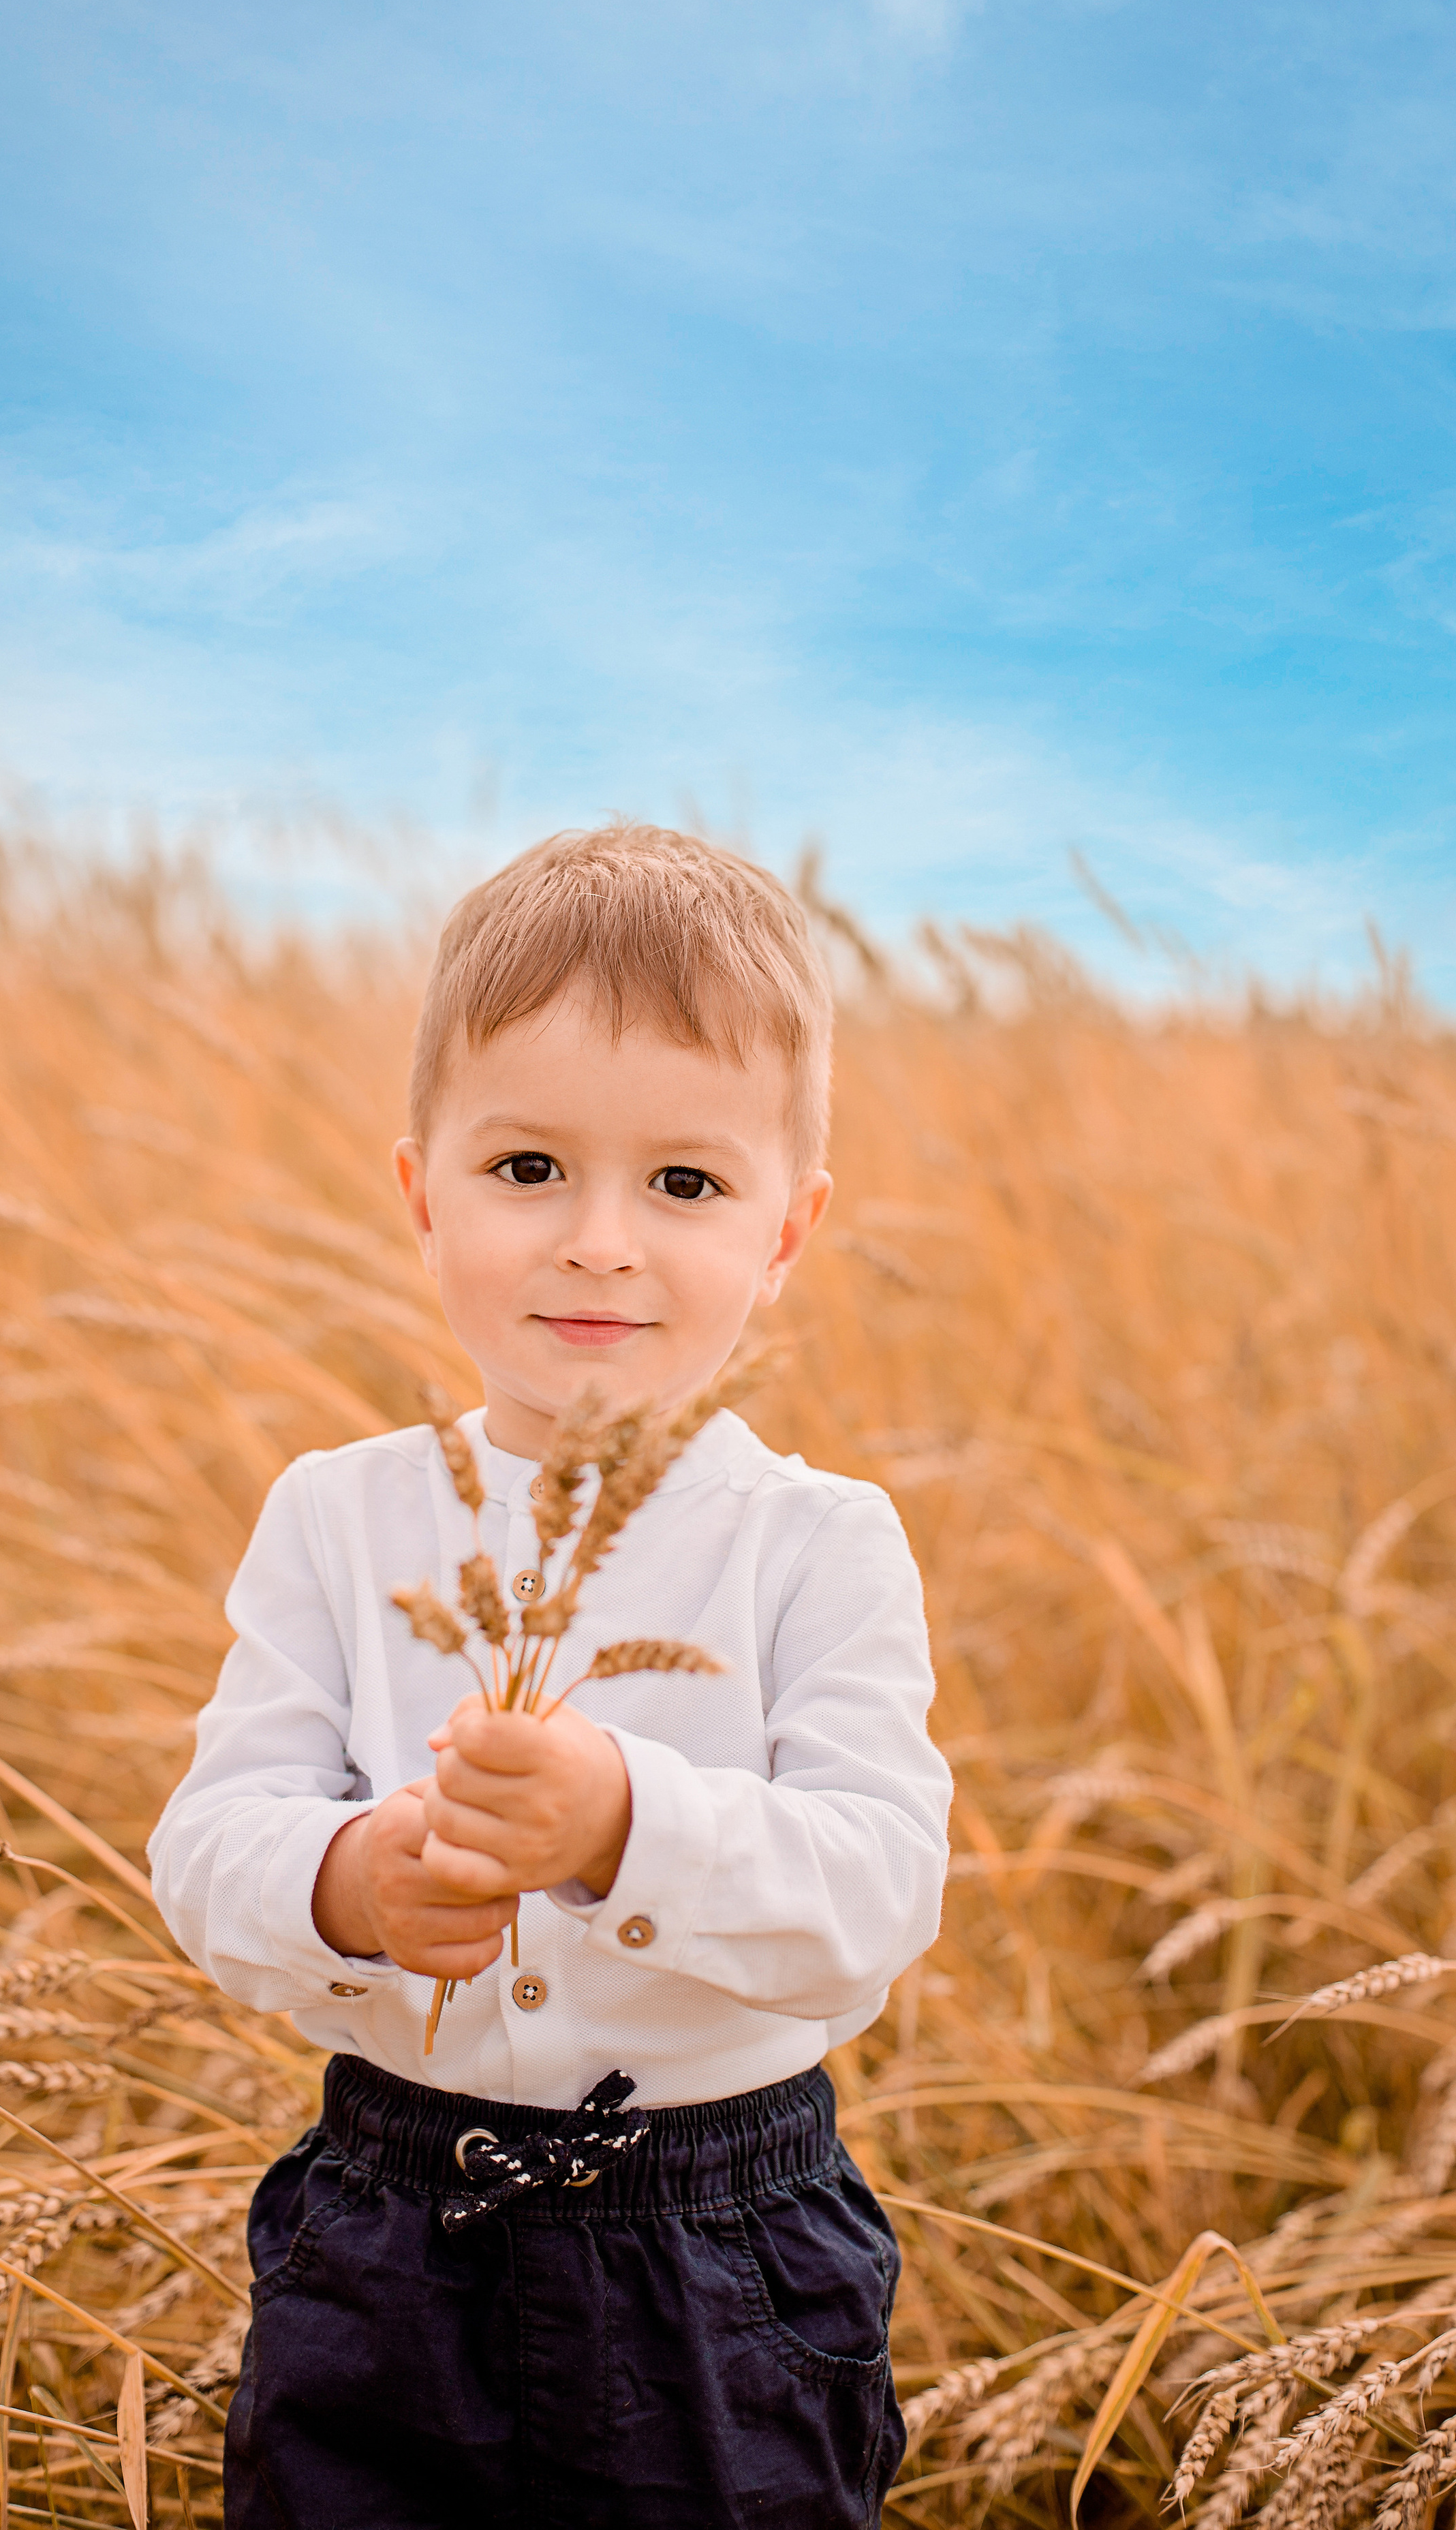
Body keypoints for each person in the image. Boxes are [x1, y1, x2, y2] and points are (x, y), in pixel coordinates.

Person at [148, 824, 953, 2529]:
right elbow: (209, 1838)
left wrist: (622, 1828)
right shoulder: (336, 1509)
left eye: (683, 1183)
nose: (597, 1242)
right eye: (525, 1169)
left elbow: (878, 1887)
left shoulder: (815, 1541)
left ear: (787, 1231)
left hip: (716, 2258)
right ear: (418, 1187)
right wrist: (345, 1885)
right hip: (378, 2228)